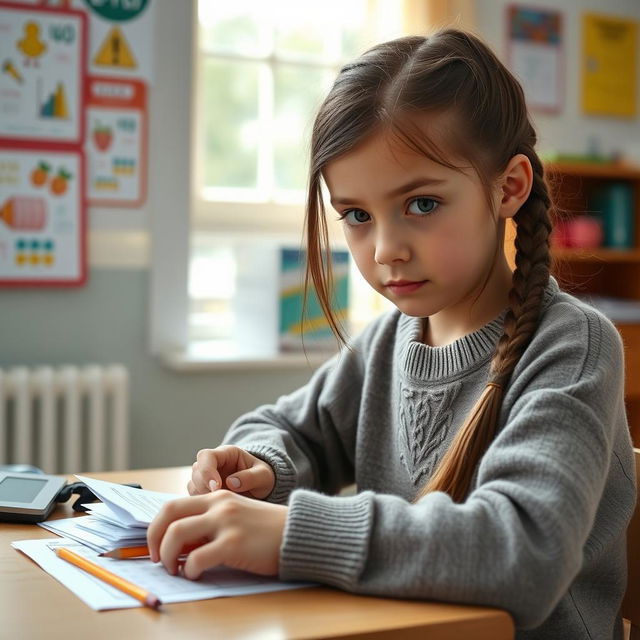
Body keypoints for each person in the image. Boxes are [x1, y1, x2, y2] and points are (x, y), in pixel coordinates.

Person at [147, 28, 636, 638]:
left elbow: (522, 552)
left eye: (422, 204)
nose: (385, 250)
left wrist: (291, 533)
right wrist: (261, 467)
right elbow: (286, 428)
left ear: (508, 187)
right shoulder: (391, 342)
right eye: (356, 215)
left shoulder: (572, 348)